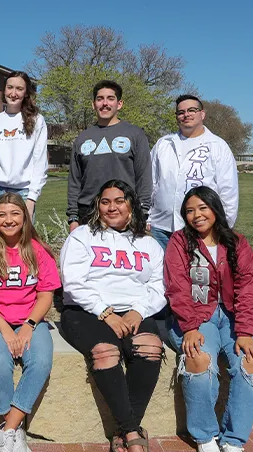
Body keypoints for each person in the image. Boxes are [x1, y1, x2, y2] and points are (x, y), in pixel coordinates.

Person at [60, 179, 165, 452]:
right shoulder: (82, 236)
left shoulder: (147, 243)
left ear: (131, 205)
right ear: (97, 206)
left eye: (119, 201)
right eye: (105, 201)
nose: (112, 207)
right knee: (106, 351)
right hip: (86, 311)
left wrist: (138, 311)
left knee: (150, 347)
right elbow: (73, 283)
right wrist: (106, 313)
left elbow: (159, 286)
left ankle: (124, 429)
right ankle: (132, 431)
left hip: (133, 310)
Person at [165, 186, 253, 452]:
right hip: (197, 318)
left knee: (252, 363)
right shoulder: (179, 242)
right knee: (198, 359)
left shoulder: (236, 242)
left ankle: (233, 441)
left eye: (202, 208)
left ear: (215, 209)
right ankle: (205, 436)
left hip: (234, 318)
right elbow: (177, 287)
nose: (196, 215)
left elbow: (249, 285)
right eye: (189, 211)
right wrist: (189, 327)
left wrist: (244, 330)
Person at [0, 192, 61, 452]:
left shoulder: (38, 251)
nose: (9, 220)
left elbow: (45, 296)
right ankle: (14, 431)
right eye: (1, 215)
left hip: (30, 320)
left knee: (40, 362)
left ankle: (7, 430)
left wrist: (29, 325)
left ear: (25, 217)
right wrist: (6, 330)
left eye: (15, 213)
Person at [149, 95, 239, 251]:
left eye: (192, 110)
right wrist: (147, 218)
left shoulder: (218, 146)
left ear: (202, 114)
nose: (186, 115)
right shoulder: (163, 144)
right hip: (160, 228)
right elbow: (150, 183)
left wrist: (224, 227)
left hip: (199, 229)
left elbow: (228, 191)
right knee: (160, 275)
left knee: (196, 275)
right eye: (181, 112)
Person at [67, 80, 152, 232]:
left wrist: (143, 213)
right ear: (93, 104)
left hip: (124, 211)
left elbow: (143, 177)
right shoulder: (82, 138)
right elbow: (74, 181)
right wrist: (73, 217)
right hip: (88, 212)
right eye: (100, 99)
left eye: (110, 98)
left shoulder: (135, 134)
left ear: (119, 104)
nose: (104, 103)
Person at [0, 71, 48, 222]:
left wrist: (31, 199)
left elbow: (40, 162)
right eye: (10, 87)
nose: (13, 93)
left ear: (26, 93)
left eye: (19, 89)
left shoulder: (37, 120)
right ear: (4, 90)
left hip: (23, 192)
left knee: (22, 243)